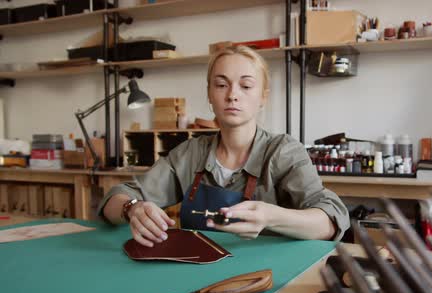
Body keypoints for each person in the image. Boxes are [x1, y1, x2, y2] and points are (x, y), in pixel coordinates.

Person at [99, 45, 349, 247]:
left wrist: (270, 216)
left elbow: (329, 220)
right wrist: (132, 208)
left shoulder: (282, 151)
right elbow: (116, 196)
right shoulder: (190, 153)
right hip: (197, 274)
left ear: (263, 97)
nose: (232, 95)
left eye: (246, 85)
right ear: (209, 94)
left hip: (265, 278)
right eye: (221, 85)